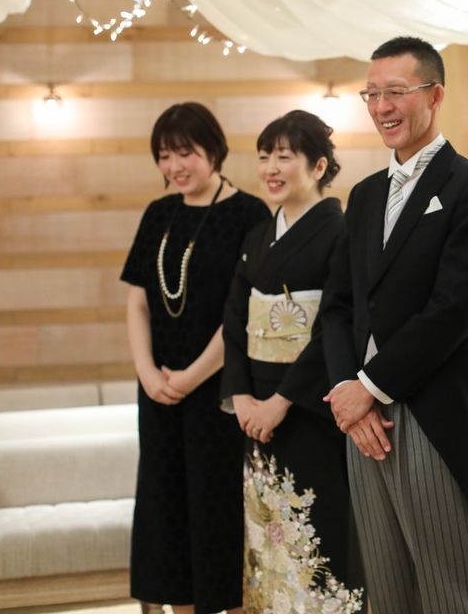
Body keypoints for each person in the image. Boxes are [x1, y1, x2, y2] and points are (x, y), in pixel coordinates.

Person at [321, 36, 468, 613]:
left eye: (396, 92)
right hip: (360, 417)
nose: (382, 107)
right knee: (386, 591)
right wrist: (347, 392)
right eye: (372, 95)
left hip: (431, 410)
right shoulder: (364, 195)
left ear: (435, 95)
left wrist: (370, 386)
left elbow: (453, 309)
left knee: (450, 591)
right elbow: (338, 305)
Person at [121, 102, 269, 614]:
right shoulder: (158, 213)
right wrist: (148, 374)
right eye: (164, 155)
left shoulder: (250, 214)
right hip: (159, 392)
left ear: (214, 149)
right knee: (164, 509)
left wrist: (190, 377)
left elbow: (243, 313)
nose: (174, 166)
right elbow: (138, 302)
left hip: (220, 391)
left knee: (216, 507)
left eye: (185, 153)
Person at [220, 110, 364, 612]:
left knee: (320, 533)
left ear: (319, 166)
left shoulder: (340, 231)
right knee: (267, 538)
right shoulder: (259, 236)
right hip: (256, 414)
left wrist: (280, 402)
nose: (271, 169)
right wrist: (241, 397)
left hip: (310, 409)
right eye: (264, 157)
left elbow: (333, 327)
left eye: (284, 157)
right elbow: (234, 319)